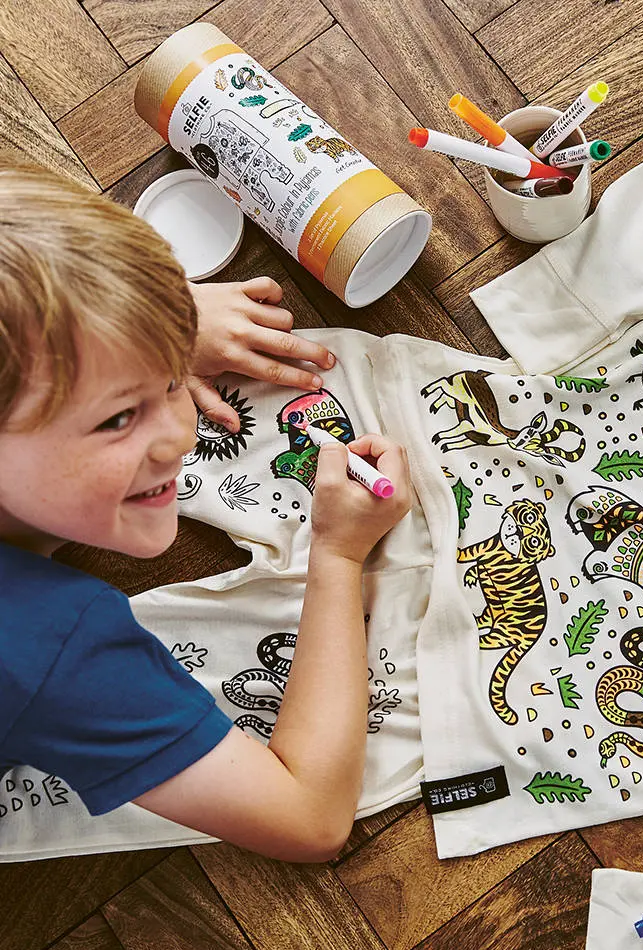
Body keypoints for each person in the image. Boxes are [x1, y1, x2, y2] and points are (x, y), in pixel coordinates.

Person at [0, 156, 412, 862]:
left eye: (169, 378)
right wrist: (339, 555)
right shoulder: (49, 645)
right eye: (117, 419)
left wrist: (151, 318)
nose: (180, 438)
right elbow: (310, 819)